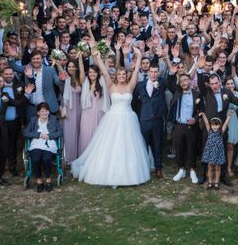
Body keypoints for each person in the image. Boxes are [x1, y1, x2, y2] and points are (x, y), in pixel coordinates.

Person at [71, 47, 151, 187]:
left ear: (126, 76)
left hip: (128, 119)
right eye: (119, 74)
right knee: (111, 146)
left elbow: (136, 71)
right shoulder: (110, 85)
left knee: (128, 147)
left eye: (123, 74)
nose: (121, 76)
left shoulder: (130, 86)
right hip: (113, 118)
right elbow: (104, 71)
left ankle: (130, 174)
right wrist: (95, 54)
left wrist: (139, 57)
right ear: (116, 76)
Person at [134, 63, 168, 179]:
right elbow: (134, 101)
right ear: (148, 72)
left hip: (157, 119)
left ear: (158, 73)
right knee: (143, 144)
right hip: (144, 119)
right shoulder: (140, 85)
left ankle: (158, 168)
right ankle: (143, 168)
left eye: (155, 72)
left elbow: (172, 79)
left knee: (157, 145)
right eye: (151, 71)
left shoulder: (162, 83)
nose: (153, 74)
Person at [168, 72, 202, 184]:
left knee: (192, 148)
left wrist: (195, 118)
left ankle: (192, 170)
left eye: (185, 80)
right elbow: (169, 83)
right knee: (179, 148)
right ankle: (181, 169)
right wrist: (172, 74)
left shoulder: (197, 94)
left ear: (190, 81)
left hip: (192, 126)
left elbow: (202, 110)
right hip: (179, 125)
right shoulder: (177, 92)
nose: (183, 82)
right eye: (181, 81)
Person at [23, 102, 63, 192]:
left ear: (49, 112)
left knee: (46, 159)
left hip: (50, 143)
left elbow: (60, 132)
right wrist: (38, 134)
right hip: (36, 143)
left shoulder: (53, 119)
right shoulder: (33, 120)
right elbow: (25, 132)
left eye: (46, 111)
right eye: (42, 111)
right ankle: (39, 180)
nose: (44, 113)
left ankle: (48, 179)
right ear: (38, 113)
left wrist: (49, 135)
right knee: (36, 159)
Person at [200, 112, 232, 190]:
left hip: (218, 153)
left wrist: (229, 116)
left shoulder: (221, 132)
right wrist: (204, 115)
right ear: (211, 126)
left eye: (216, 125)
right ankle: (210, 182)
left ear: (219, 125)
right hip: (210, 152)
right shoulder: (210, 131)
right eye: (213, 125)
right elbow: (207, 123)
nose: (214, 126)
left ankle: (216, 182)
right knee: (210, 168)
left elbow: (225, 124)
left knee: (218, 168)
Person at [60, 58, 83, 163]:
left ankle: (78, 156)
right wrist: (57, 64)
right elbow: (61, 71)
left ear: (76, 68)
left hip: (79, 109)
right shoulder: (66, 78)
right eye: (69, 66)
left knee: (78, 132)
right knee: (69, 133)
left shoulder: (80, 79)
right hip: (68, 109)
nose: (71, 68)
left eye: (73, 66)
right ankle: (68, 157)